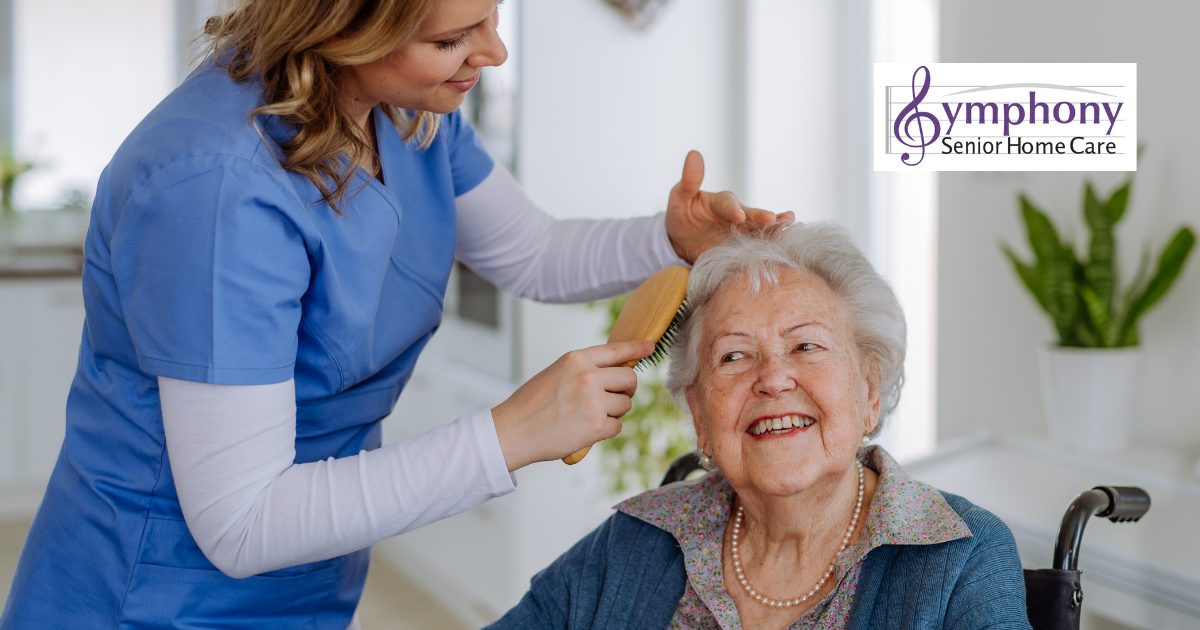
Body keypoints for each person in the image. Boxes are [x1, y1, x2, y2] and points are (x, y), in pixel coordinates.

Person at [0, 0, 793, 628]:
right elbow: (242, 522)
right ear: (346, 26)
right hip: (152, 596)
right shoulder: (213, 191)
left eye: (493, 17)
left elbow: (534, 252)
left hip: (310, 575)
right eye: (454, 38)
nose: (493, 53)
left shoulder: (407, 109)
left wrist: (669, 237)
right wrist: (513, 432)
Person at [488, 222, 1033, 630]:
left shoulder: (962, 555)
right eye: (733, 356)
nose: (773, 379)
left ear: (869, 390)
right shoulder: (635, 540)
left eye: (806, 346)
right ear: (700, 415)